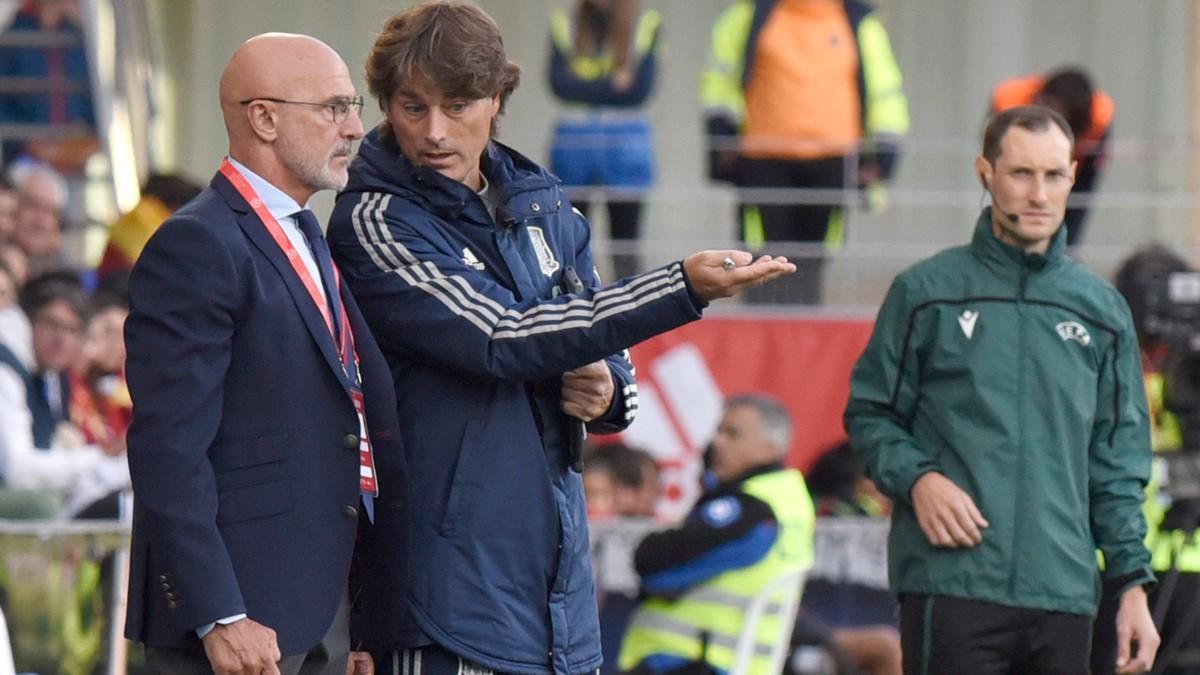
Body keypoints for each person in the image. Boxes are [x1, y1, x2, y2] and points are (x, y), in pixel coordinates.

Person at [326, 3, 796, 673]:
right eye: (411, 107)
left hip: (557, 608)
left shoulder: (547, 206)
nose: (432, 132)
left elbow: (616, 373)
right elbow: (502, 336)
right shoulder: (373, 220)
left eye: (456, 106)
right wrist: (679, 287)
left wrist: (605, 388)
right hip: (444, 604)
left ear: (497, 99)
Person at [122, 33, 402, 675]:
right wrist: (218, 613)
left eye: (353, 106)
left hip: (317, 615)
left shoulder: (309, 235)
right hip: (235, 624)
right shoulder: (197, 244)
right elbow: (169, 448)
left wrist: (357, 614)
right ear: (264, 117)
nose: (356, 127)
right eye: (334, 108)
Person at [845, 105, 1159, 674]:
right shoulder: (925, 292)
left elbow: (1117, 465)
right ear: (985, 173)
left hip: (1064, 593)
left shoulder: (1103, 311)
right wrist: (920, 480)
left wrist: (1132, 586)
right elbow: (871, 415)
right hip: (952, 581)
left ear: (1072, 177)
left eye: (1055, 175)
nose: (1039, 193)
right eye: (1021, 174)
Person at [700, 0, 908, 305]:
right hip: (763, 159)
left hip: (832, 162)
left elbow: (883, 89)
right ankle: (763, 334)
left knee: (812, 263)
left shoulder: (859, 22)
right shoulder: (746, 16)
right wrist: (721, 132)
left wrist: (885, 151)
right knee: (760, 262)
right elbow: (720, 79)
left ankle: (803, 332)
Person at [618, 395, 815, 675]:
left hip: (692, 661)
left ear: (769, 448)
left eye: (732, 434)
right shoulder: (789, 495)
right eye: (719, 431)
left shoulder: (751, 508)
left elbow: (653, 563)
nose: (717, 443)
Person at [547, 0, 661, 279]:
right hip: (575, 145)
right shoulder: (564, 23)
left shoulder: (646, 23)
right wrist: (613, 84)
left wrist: (584, 87)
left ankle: (629, 306)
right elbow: (559, 84)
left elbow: (640, 90)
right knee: (569, 238)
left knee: (625, 241)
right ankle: (572, 301)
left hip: (625, 146)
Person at [990, 67, 1113, 248]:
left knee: (1072, 213)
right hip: (1018, 161)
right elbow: (992, 153)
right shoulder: (1009, 101)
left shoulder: (1099, 118)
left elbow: (1088, 177)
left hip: (1073, 165)